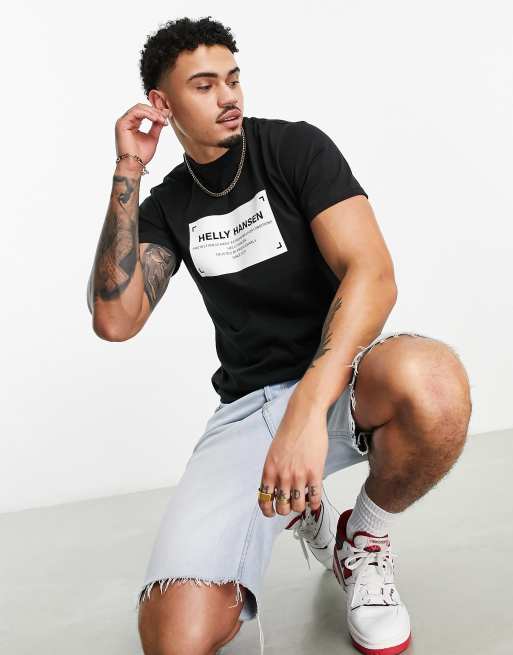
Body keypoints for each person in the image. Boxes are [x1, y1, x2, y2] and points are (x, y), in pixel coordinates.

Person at [86, 15, 472, 655]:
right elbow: (114, 320)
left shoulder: (294, 149)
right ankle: (301, 505)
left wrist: (308, 410)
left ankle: (361, 539)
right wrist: (128, 169)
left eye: (233, 79)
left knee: (431, 381)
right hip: (248, 410)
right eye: (204, 86)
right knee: (175, 636)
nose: (228, 97)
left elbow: (373, 274)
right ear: (162, 104)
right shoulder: (168, 206)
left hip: (341, 383)